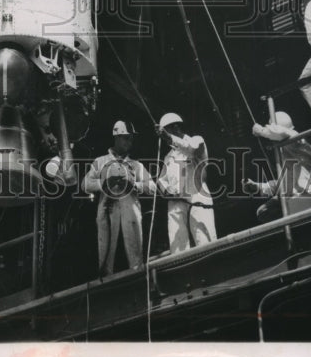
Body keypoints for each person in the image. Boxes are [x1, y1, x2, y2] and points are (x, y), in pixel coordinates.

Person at [82, 120, 156, 277]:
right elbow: (85, 184)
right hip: (107, 210)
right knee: (106, 251)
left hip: (131, 210)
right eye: (126, 138)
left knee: (134, 249)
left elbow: (153, 187)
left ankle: (137, 278)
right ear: (116, 137)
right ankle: (106, 281)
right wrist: (105, 183)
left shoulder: (136, 165)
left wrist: (134, 185)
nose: (129, 142)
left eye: (131, 139)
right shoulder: (100, 161)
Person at [243, 111, 311, 220]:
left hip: (309, 196)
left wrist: (262, 131)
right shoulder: (286, 152)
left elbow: (284, 133)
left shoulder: (298, 142)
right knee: (263, 212)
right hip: (294, 197)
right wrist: (258, 186)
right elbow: (285, 184)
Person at [155, 112, 217, 254]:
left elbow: (191, 149)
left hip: (197, 198)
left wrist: (170, 138)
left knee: (205, 241)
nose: (165, 137)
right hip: (177, 203)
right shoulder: (168, 157)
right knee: (178, 248)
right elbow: (161, 179)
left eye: (167, 131)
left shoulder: (196, 140)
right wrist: (166, 191)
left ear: (176, 128)